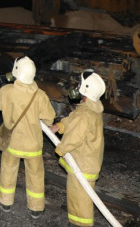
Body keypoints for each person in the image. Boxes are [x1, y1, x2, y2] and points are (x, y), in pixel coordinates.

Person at [0, 56, 57, 218]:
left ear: (16, 70)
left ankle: (5, 202)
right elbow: (49, 118)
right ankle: (36, 208)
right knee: (35, 175)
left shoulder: (6, 91)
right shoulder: (40, 95)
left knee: (8, 171)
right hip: (33, 145)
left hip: (12, 143)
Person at [50, 69, 106, 227]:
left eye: (80, 84)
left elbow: (74, 137)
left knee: (80, 199)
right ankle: (77, 218)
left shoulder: (84, 114)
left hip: (82, 164)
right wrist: (60, 126)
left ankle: (80, 224)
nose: (77, 87)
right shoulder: (91, 107)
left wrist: (60, 149)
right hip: (88, 160)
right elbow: (73, 120)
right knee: (79, 196)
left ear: (85, 89)